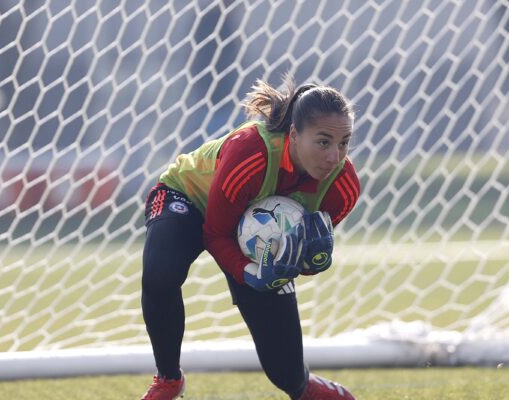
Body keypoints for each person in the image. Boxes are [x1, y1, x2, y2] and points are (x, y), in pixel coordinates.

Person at [140, 76, 361, 400]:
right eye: (324, 142)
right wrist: (249, 273)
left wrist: (310, 261)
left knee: (285, 373)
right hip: (188, 198)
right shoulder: (251, 153)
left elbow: (299, 257)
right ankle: (169, 379)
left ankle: (303, 386)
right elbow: (216, 233)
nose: (334, 157)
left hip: (248, 231)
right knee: (161, 274)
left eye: (344, 143)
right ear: (294, 134)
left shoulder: (343, 187)